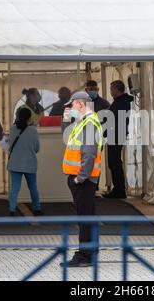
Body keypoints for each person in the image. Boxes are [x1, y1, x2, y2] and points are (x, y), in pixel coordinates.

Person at [60, 91, 103, 267]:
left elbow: (89, 153)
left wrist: (81, 177)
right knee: (87, 217)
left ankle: (85, 256)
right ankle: (89, 253)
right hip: (83, 179)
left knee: (85, 218)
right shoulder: (83, 122)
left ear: (80, 104)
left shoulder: (89, 124)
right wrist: (65, 120)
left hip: (84, 181)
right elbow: (66, 137)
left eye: (72, 105)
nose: (70, 108)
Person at [8, 108, 43, 216]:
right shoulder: (33, 130)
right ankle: (37, 209)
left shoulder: (13, 128)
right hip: (29, 163)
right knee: (33, 187)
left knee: (15, 188)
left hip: (15, 164)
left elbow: (8, 145)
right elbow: (37, 148)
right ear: (29, 117)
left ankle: (12, 210)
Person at [102, 80, 134, 199]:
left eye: (111, 89)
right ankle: (118, 188)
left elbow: (114, 119)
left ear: (116, 89)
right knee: (114, 162)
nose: (110, 91)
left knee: (114, 162)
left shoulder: (121, 103)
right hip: (115, 134)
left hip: (116, 135)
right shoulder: (121, 102)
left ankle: (119, 190)